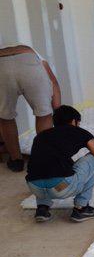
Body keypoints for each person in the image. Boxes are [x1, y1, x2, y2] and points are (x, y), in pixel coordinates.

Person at [0, 44, 61, 172]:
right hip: (29, 65)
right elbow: (53, 82)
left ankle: (16, 160)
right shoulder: (35, 54)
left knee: (5, 117)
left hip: (2, 65)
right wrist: (58, 112)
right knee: (44, 114)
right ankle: (45, 158)